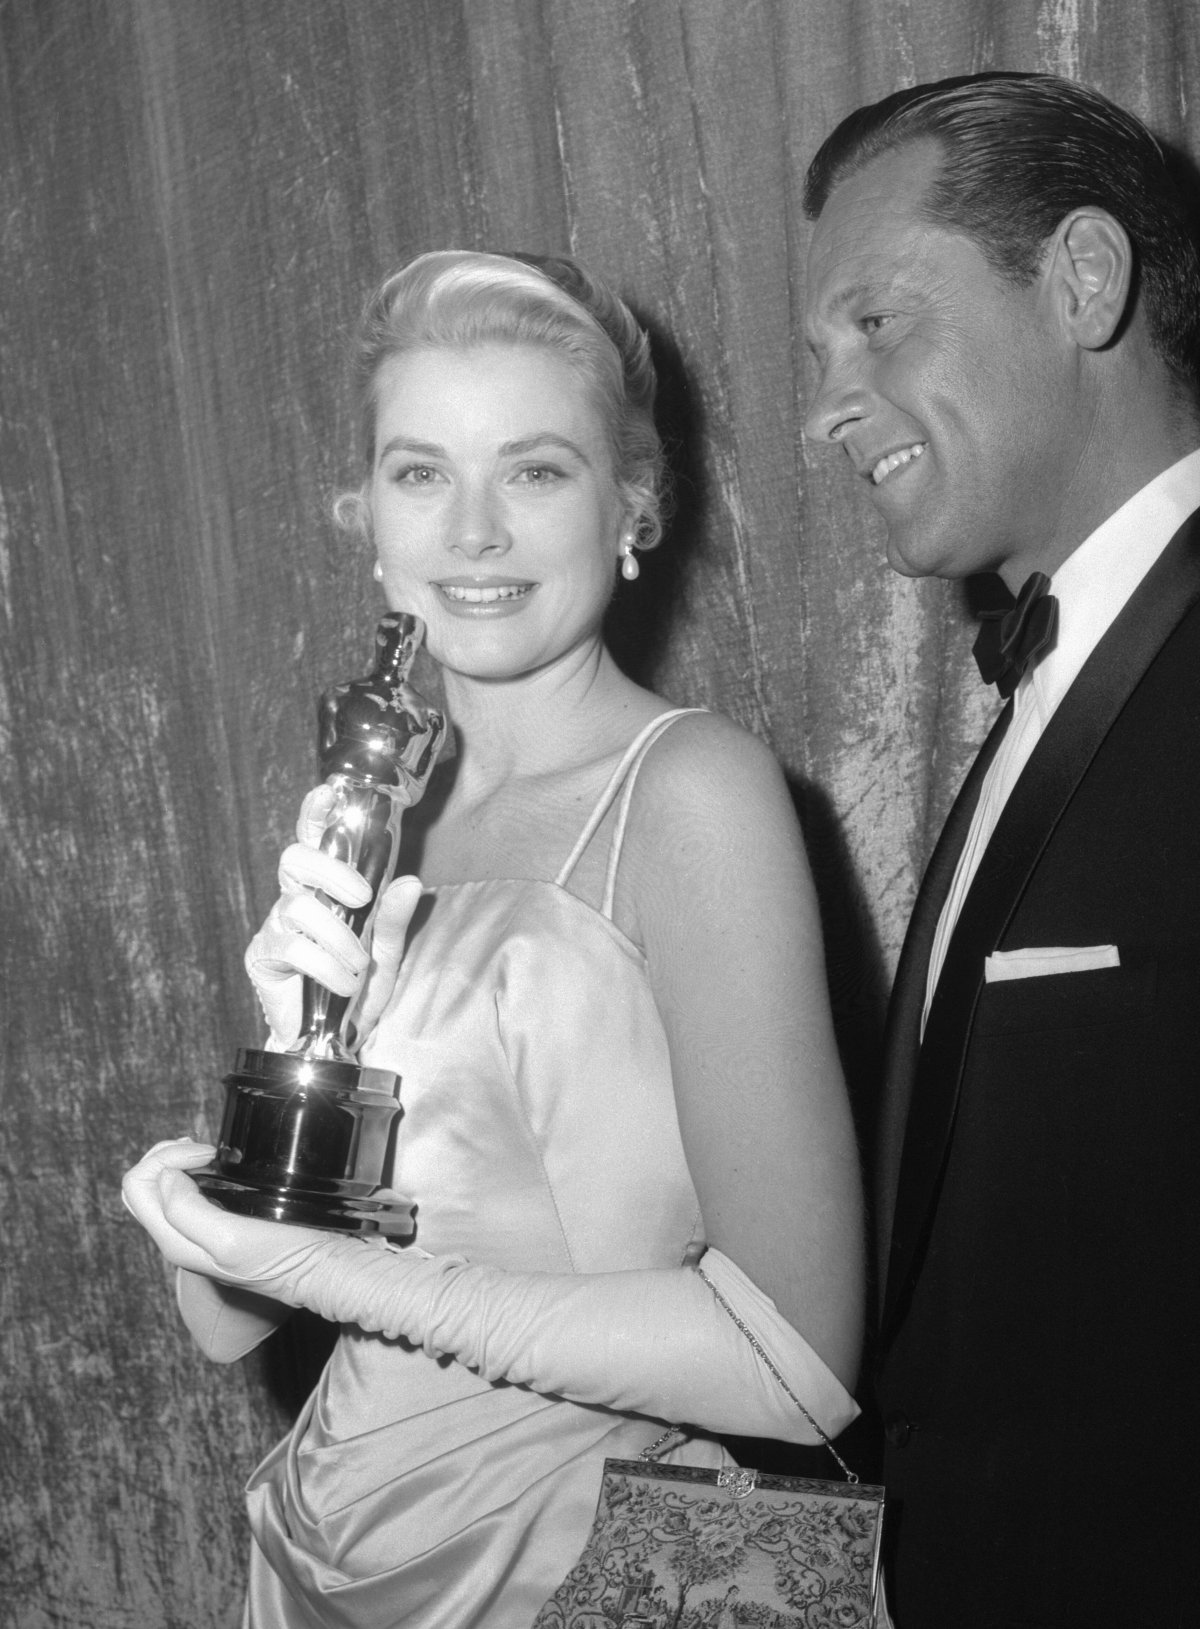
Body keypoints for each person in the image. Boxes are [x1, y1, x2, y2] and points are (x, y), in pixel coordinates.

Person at [123, 250, 865, 1627]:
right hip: (317, 1561)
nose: (471, 531)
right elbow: (231, 1319)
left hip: (597, 1575)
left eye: (533, 471)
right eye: (420, 473)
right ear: (368, 519)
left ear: (632, 508)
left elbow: (798, 1365)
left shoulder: (694, 792)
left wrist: (355, 1278)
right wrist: (234, 1139)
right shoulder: (376, 802)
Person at [802, 71, 1200, 1627]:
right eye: (818, 353)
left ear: (1083, 280)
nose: (826, 400)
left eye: (875, 322)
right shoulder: (1054, 668)